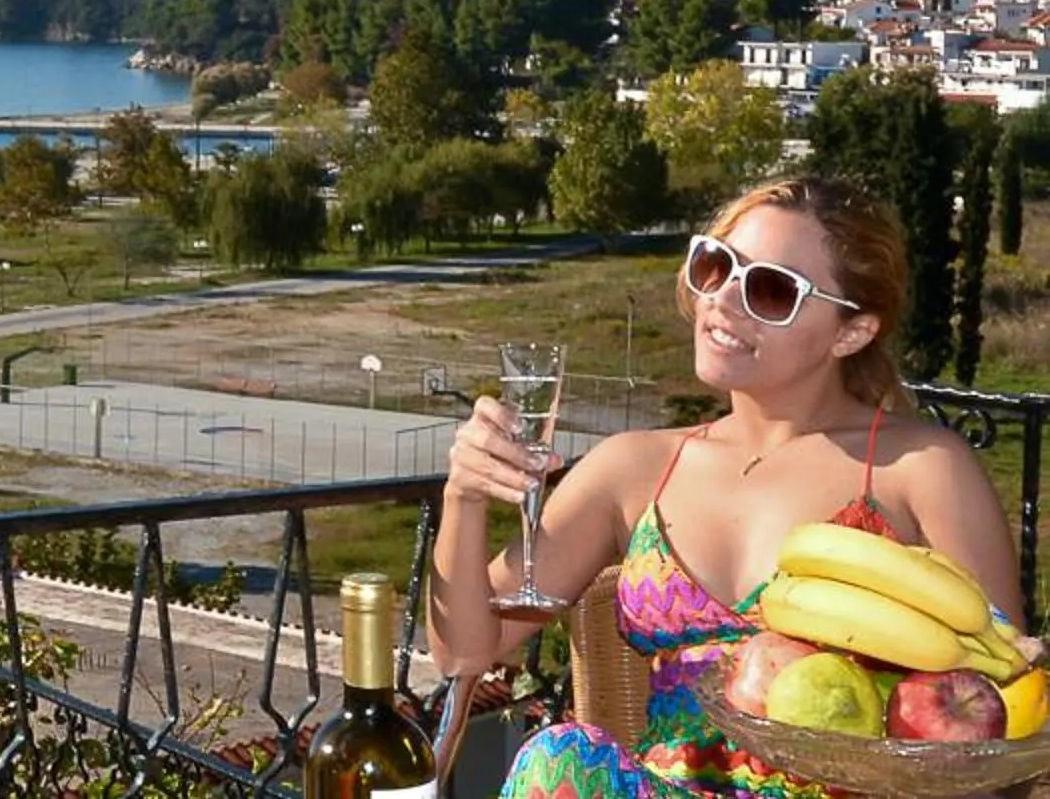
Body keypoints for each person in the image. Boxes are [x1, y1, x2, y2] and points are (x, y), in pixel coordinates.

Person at [427, 174, 1023, 797]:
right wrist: (464, 497)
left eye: (770, 289)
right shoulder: (632, 470)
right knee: (559, 755)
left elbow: (1005, 704)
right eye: (716, 267)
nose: (724, 301)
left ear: (852, 332)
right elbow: (465, 653)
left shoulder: (919, 468)